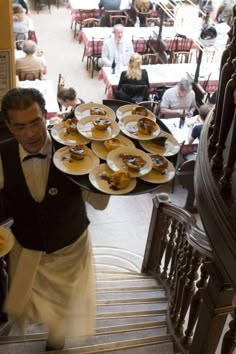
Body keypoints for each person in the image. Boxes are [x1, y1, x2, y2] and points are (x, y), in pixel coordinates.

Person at [0, 88, 110, 351]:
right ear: (8, 126)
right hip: (27, 248)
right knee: (26, 302)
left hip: (70, 245)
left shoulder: (77, 149)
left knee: (63, 303)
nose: (30, 133)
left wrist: (104, 169)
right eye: (20, 126)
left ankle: (56, 338)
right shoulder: (1, 156)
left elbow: (99, 204)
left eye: (36, 122)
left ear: (45, 115)